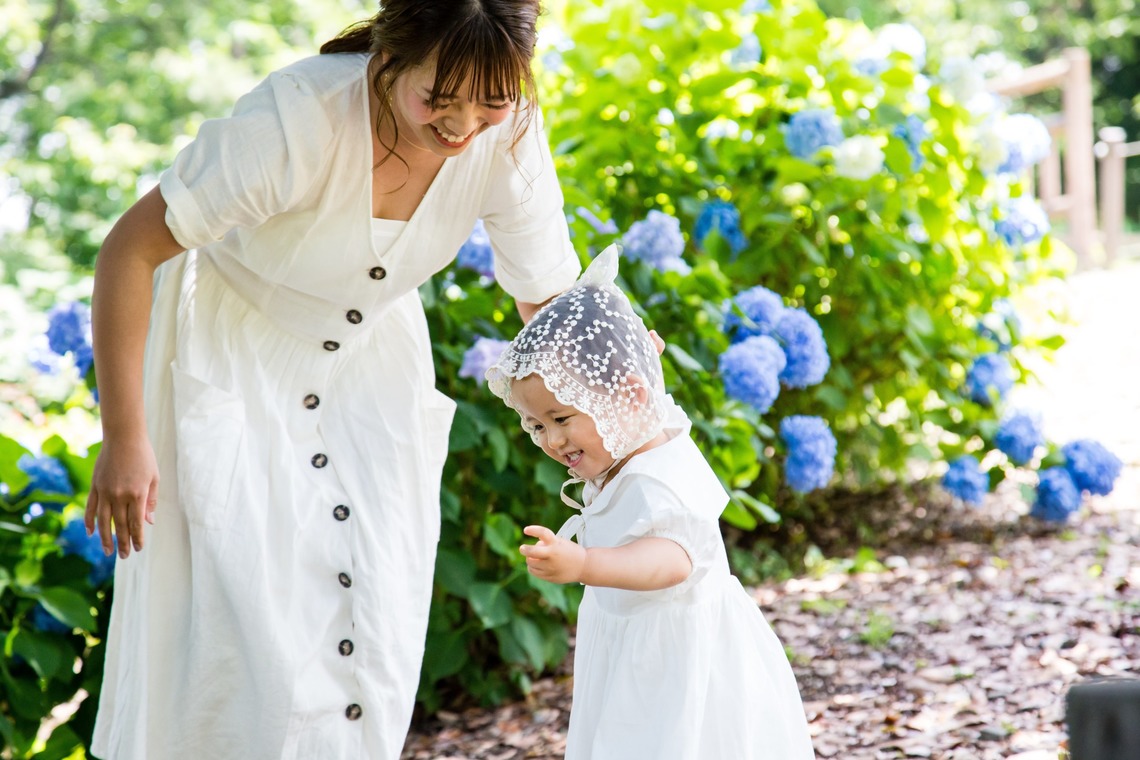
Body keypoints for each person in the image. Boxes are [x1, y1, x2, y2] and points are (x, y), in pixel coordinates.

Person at [83, 2, 581, 758]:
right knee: (246, 644)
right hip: (234, 361)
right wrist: (126, 437)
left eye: (490, 100)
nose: (464, 126)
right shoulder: (298, 120)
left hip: (370, 377)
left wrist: (615, 399)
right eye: (438, 101)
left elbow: (545, 295)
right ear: (388, 57)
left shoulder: (506, 130)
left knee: (370, 629)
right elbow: (129, 249)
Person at [485, 246, 817, 760]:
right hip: (635, 641)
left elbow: (671, 560)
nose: (551, 440)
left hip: (678, 656)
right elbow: (639, 378)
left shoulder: (657, 479)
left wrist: (586, 563)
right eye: (536, 426)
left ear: (630, 398)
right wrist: (635, 350)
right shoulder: (635, 427)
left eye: (562, 418)